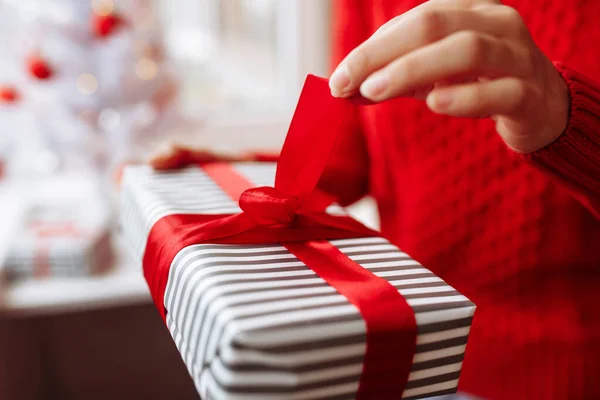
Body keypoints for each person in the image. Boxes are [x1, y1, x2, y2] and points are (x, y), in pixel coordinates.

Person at [151, 0, 600, 398]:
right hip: (408, 355)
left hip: (563, 377)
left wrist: (563, 118)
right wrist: (245, 175)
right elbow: (350, 160)